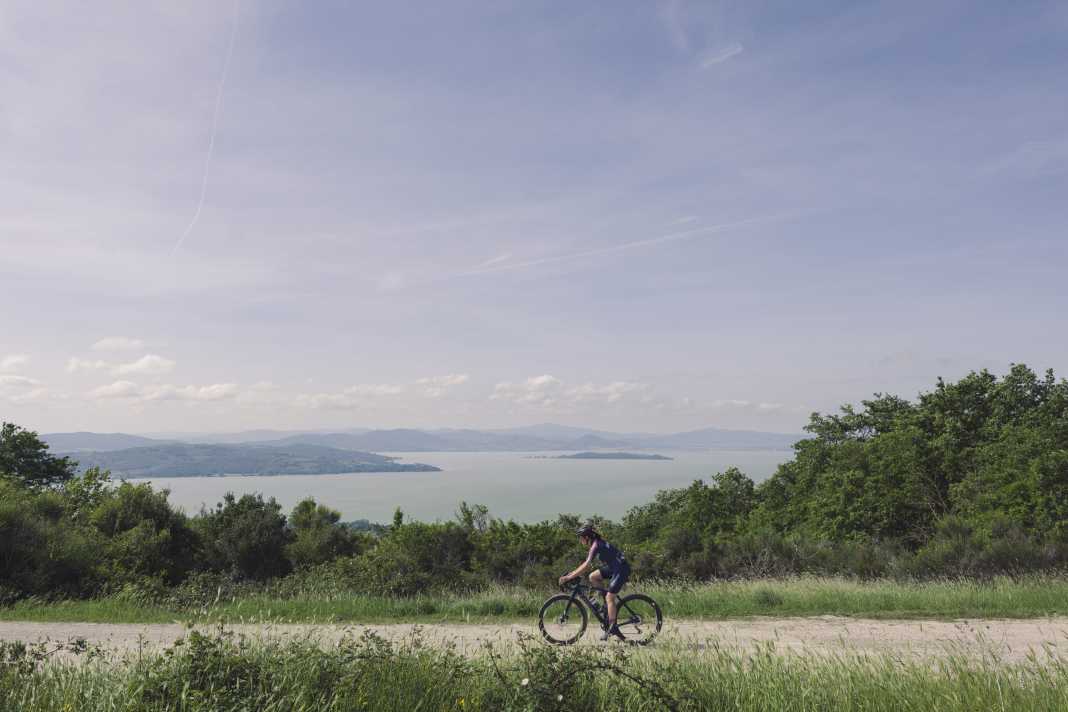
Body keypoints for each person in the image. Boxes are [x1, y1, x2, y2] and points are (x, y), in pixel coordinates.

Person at [559, 522, 631, 641]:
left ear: (587, 537)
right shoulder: (596, 544)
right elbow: (585, 566)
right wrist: (571, 574)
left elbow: (586, 565)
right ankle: (605, 606)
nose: (580, 541)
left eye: (581, 538)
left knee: (610, 598)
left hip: (621, 569)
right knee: (593, 576)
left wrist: (569, 577)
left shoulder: (596, 545)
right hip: (614, 567)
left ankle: (613, 627)